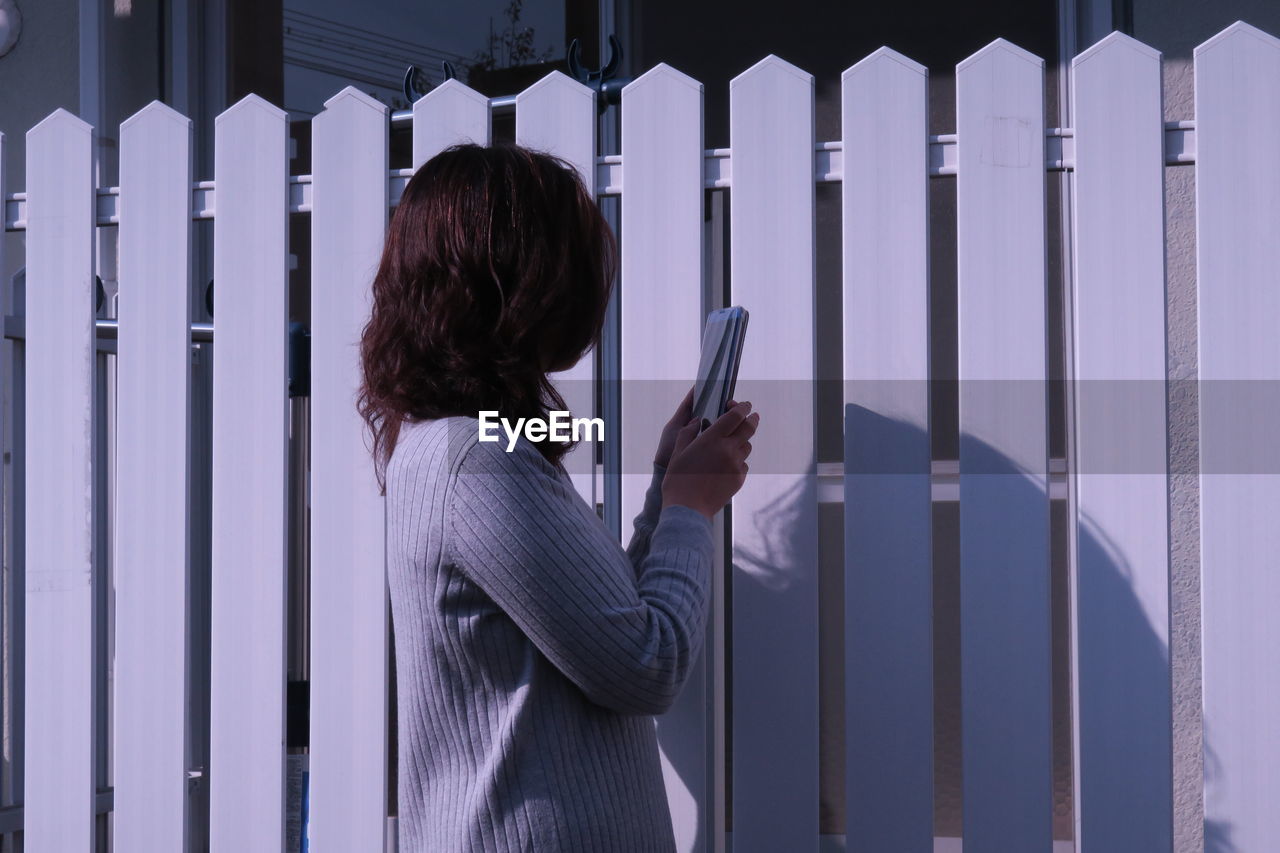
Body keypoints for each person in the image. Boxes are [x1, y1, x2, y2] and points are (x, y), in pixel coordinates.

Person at [357, 142, 759, 852]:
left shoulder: (453, 447)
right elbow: (646, 662)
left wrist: (670, 493)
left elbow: (606, 625)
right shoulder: (478, 462)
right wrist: (694, 507)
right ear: (517, 284)